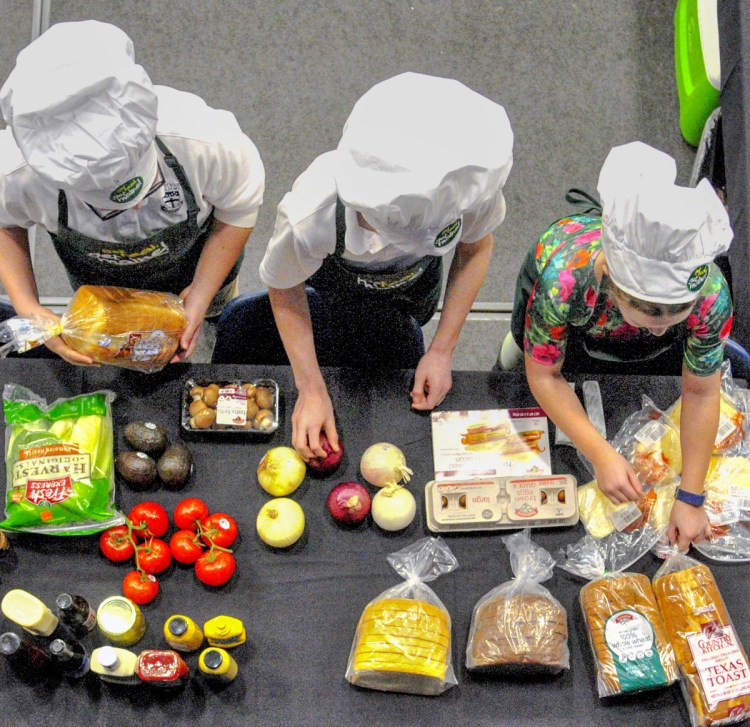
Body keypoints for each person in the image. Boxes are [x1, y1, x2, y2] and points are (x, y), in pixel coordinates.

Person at [227, 72, 513, 459]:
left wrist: (443, 350)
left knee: (403, 331)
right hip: (329, 291)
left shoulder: (468, 186)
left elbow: (476, 250)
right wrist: (311, 389)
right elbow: (285, 287)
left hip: (411, 292)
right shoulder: (313, 215)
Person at [501, 141, 733, 551]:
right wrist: (600, 453)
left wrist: (691, 496)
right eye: (648, 320)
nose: (662, 334)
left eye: (673, 323)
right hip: (571, 337)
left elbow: (700, 390)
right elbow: (545, 375)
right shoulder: (563, 281)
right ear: (607, 275)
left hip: (625, 340)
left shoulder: (710, 296)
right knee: (522, 358)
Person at [0, 20, 264, 364]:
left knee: (217, 317)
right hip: (99, 284)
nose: (135, 208)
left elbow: (238, 210)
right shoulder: (15, 171)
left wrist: (201, 293)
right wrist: (30, 308)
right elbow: (5, 224)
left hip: (198, 265)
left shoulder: (206, 141)